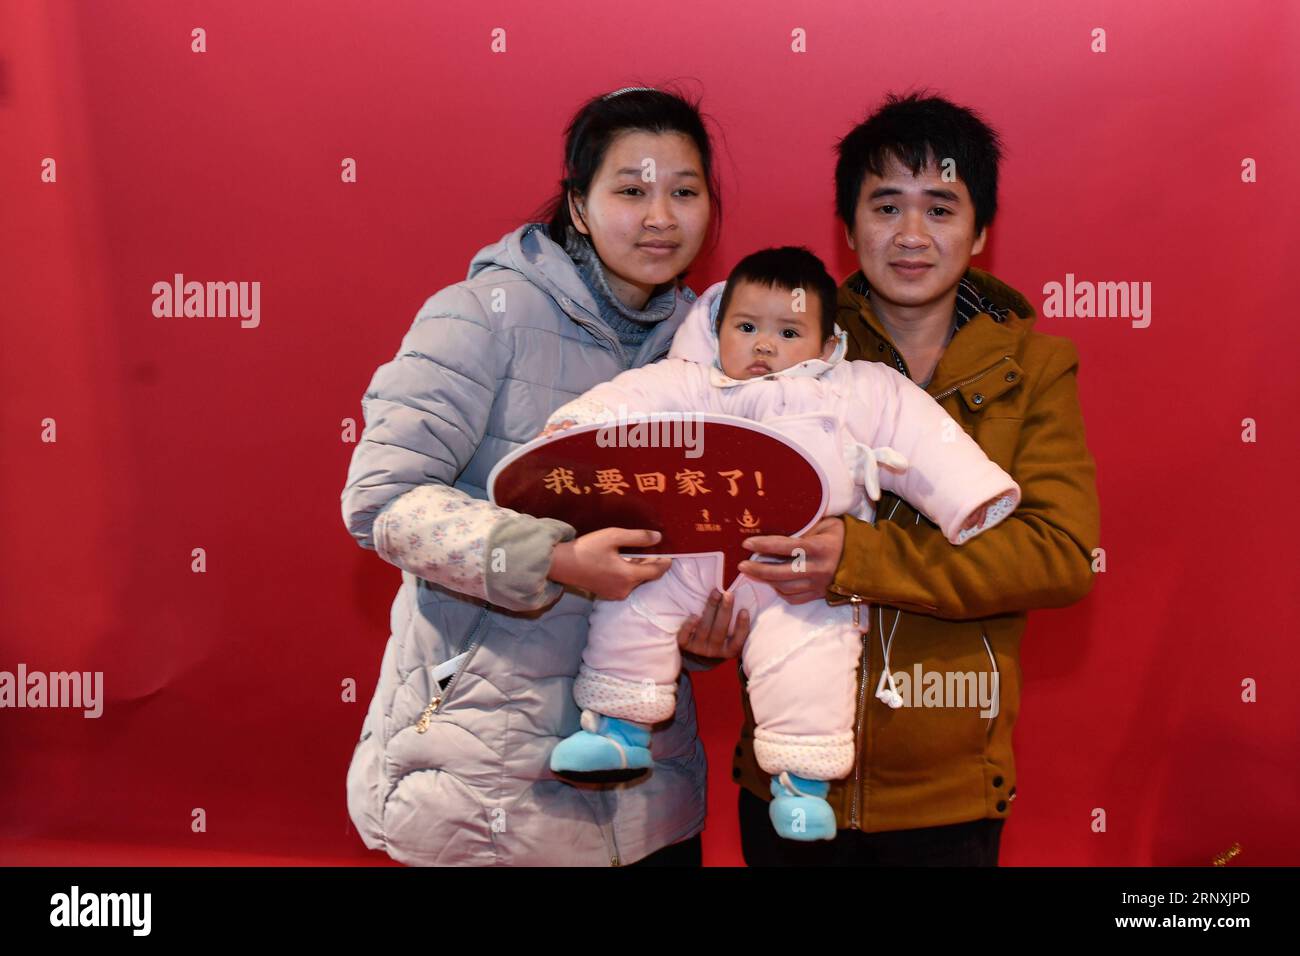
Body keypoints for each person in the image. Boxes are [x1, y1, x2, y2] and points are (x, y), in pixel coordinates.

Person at [340, 86, 745, 866]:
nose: (660, 217)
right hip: (485, 783)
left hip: (649, 792)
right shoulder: (481, 315)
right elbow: (383, 498)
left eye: (684, 192)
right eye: (631, 190)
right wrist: (554, 561)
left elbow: (694, 545)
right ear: (580, 207)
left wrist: (701, 633)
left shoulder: (709, 356)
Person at [537, 246, 1021, 842]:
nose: (764, 346)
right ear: (717, 331)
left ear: (824, 345)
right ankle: (616, 729)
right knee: (632, 603)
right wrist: (574, 434)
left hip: (798, 573)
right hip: (689, 559)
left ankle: (802, 783)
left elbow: (922, 437)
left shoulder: (858, 390)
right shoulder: (686, 381)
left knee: (811, 658)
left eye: (788, 332)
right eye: (746, 328)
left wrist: (972, 495)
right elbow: (626, 405)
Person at [731, 92, 1101, 865]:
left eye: (940, 207)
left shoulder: (1033, 369)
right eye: (886, 205)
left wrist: (858, 562)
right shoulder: (784, 346)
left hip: (950, 793)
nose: (909, 235)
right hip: (786, 779)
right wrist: (698, 628)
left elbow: (1058, 552)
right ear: (848, 226)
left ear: (981, 229)